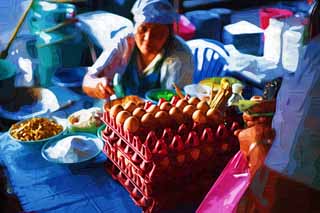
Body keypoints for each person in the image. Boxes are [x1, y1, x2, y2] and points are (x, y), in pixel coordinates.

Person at [82, 0, 194, 99]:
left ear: (169, 33)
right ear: (135, 26)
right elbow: (88, 81)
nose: (148, 38)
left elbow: (176, 104)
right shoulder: (125, 41)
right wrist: (98, 85)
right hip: (122, 110)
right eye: (143, 28)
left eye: (157, 32)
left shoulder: (180, 54)